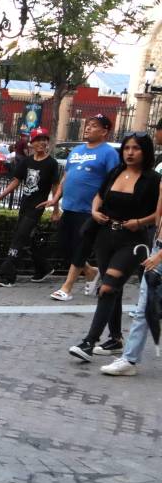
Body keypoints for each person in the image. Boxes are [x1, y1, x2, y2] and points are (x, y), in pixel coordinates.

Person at [68, 133, 160, 361]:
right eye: (127, 148)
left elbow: (159, 214)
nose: (130, 152)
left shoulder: (153, 180)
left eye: (136, 148)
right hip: (104, 236)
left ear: (145, 151)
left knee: (107, 288)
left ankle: (89, 342)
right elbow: (99, 196)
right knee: (113, 289)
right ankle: (116, 338)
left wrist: (139, 222)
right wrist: (94, 211)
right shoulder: (116, 172)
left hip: (133, 241)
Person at [45, 115, 122, 301]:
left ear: (104, 131)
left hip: (89, 211)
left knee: (81, 248)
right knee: (64, 247)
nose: (87, 128)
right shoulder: (76, 150)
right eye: (87, 125)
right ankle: (91, 272)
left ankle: (67, 287)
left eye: (93, 126)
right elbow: (66, 176)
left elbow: (112, 181)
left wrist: (103, 207)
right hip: (69, 207)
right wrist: (56, 198)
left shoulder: (109, 153)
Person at [0, 129, 61, 286]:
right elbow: (16, 181)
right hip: (24, 205)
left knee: (19, 238)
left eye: (45, 139)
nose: (42, 142)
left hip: (37, 207)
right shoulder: (26, 162)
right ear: (32, 143)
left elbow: (56, 187)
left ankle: (7, 276)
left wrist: (56, 210)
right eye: (38, 139)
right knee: (27, 238)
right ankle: (44, 267)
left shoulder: (52, 164)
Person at [101, 204, 162, 376]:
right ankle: (129, 359)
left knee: (145, 309)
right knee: (144, 309)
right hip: (158, 247)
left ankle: (129, 359)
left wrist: (158, 255)